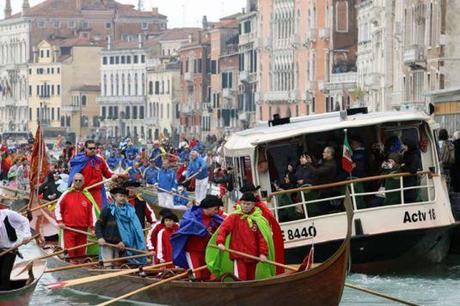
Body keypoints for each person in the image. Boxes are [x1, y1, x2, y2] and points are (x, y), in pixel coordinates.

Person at [209, 192, 274, 281]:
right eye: (243, 203)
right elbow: (224, 229)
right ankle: (241, 294)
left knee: (250, 279)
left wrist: (263, 253)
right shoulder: (234, 217)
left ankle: (249, 294)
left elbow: (262, 238)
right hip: (238, 255)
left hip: (253, 256)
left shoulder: (258, 219)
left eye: (248, 204)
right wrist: (220, 242)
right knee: (241, 278)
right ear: (240, 203)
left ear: (253, 205)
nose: (245, 206)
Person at [171, 195, 225, 280]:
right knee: (196, 276)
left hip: (207, 252)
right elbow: (189, 224)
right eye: (215, 209)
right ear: (209, 207)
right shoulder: (192, 214)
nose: (217, 211)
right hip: (193, 251)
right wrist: (204, 231)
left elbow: (224, 227)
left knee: (207, 276)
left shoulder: (215, 218)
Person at [95, 186, 147, 267]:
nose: (123, 198)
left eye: (125, 196)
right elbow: (98, 225)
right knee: (107, 266)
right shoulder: (108, 209)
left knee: (117, 266)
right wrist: (100, 237)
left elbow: (134, 230)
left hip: (123, 245)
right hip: (108, 243)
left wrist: (123, 242)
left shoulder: (130, 211)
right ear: (115, 197)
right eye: (120, 196)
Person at [55, 174, 96, 261]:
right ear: (73, 181)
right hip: (68, 229)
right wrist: (60, 221)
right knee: (69, 253)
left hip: (83, 230)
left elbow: (92, 214)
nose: (77, 182)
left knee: (81, 254)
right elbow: (57, 208)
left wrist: (93, 228)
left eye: (80, 180)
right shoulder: (66, 194)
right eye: (76, 180)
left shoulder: (87, 195)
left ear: (83, 182)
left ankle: (79, 268)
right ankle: (70, 267)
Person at [68, 140, 117, 209]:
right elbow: (73, 176)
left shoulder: (100, 160)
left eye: (94, 148)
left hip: (97, 192)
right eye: (90, 148)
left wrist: (113, 175)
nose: (93, 150)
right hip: (84, 192)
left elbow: (107, 173)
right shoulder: (79, 160)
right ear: (85, 149)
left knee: (98, 213)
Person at [0, 199, 32, 290]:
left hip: (10, 250)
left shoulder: (8, 214)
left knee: (4, 275)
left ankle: (5, 293)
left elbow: (25, 221)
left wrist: (27, 235)